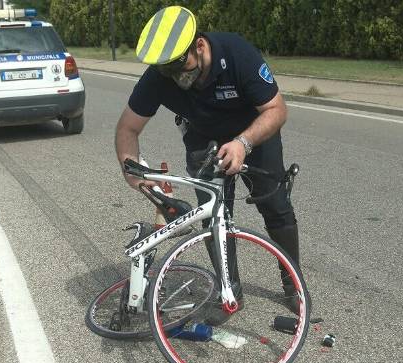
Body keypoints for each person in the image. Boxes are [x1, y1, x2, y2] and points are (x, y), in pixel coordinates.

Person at [114, 6, 301, 312]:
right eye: (167, 71)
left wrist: (243, 142)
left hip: (253, 131)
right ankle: (231, 290)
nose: (176, 77)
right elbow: (128, 127)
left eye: (180, 65)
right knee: (214, 216)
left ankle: (293, 285)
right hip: (204, 138)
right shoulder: (161, 75)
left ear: (199, 46)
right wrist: (132, 171)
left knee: (276, 208)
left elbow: (277, 109)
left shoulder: (237, 53)